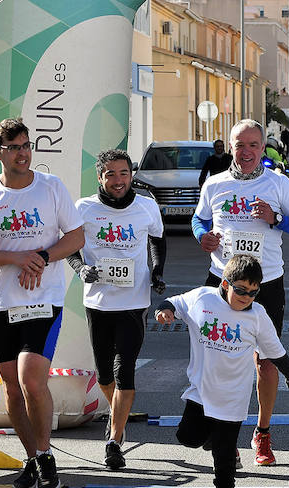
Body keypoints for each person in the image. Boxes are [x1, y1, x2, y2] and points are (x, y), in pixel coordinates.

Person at [0, 117, 85, 488]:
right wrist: (15, 258)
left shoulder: (51, 187)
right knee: (13, 389)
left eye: (27, 146)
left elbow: (76, 237)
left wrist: (42, 257)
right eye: (14, 148)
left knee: (33, 378)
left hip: (44, 300)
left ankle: (45, 456)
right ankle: (33, 459)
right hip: (2, 303)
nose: (23, 154)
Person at [191, 119, 289, 467]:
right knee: (216, 357)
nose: (246, 152)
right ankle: (222, 432)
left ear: (263, 148)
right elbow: (199, 220)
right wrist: (204, 236)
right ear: (230, 146)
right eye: (240, 145)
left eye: (253, 145)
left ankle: (262, 432)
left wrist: (276, 218)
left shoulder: (278, 183)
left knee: (266, 360)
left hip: (267, 283)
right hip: (221, 280)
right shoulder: (215, 184)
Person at [155, 255, 289, 488]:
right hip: (201, 388)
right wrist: (164, 310)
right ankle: (211, 438)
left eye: (253, 292)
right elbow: (174, 302)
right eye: (241, 290)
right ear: (225, 284)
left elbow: (275, 351)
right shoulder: (203, 298)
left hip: (233, 395)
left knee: (224, 452)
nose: (246, 297)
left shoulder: (257, 315)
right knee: (187, 437)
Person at [66, 149, 167, 470]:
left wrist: (157, 271)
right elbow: (70, 249)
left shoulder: (147, 206)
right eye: (110, 174)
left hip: (134, 302)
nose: (118, 180)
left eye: (123, 173)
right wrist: (81, 269)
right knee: (105, 376)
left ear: (131, 174)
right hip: (98, 302)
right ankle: (117, 413)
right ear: (100, 177)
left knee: (125, 371)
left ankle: (114, 439)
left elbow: (156, 241)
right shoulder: (83, 208)